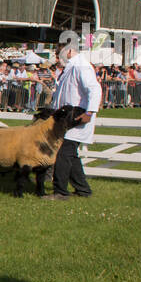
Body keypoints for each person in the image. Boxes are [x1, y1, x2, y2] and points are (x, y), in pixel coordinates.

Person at [43, 42, 100, 201]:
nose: (56, 57)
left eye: (58, 53)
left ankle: (60, 192)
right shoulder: (71, 67)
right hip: (68, 119)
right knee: (71, 156)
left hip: (78, 118)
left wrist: (89, 112)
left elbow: (94, 89)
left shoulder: (81, 66)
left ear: (68, 52)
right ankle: (83, 190)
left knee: (63, 154)